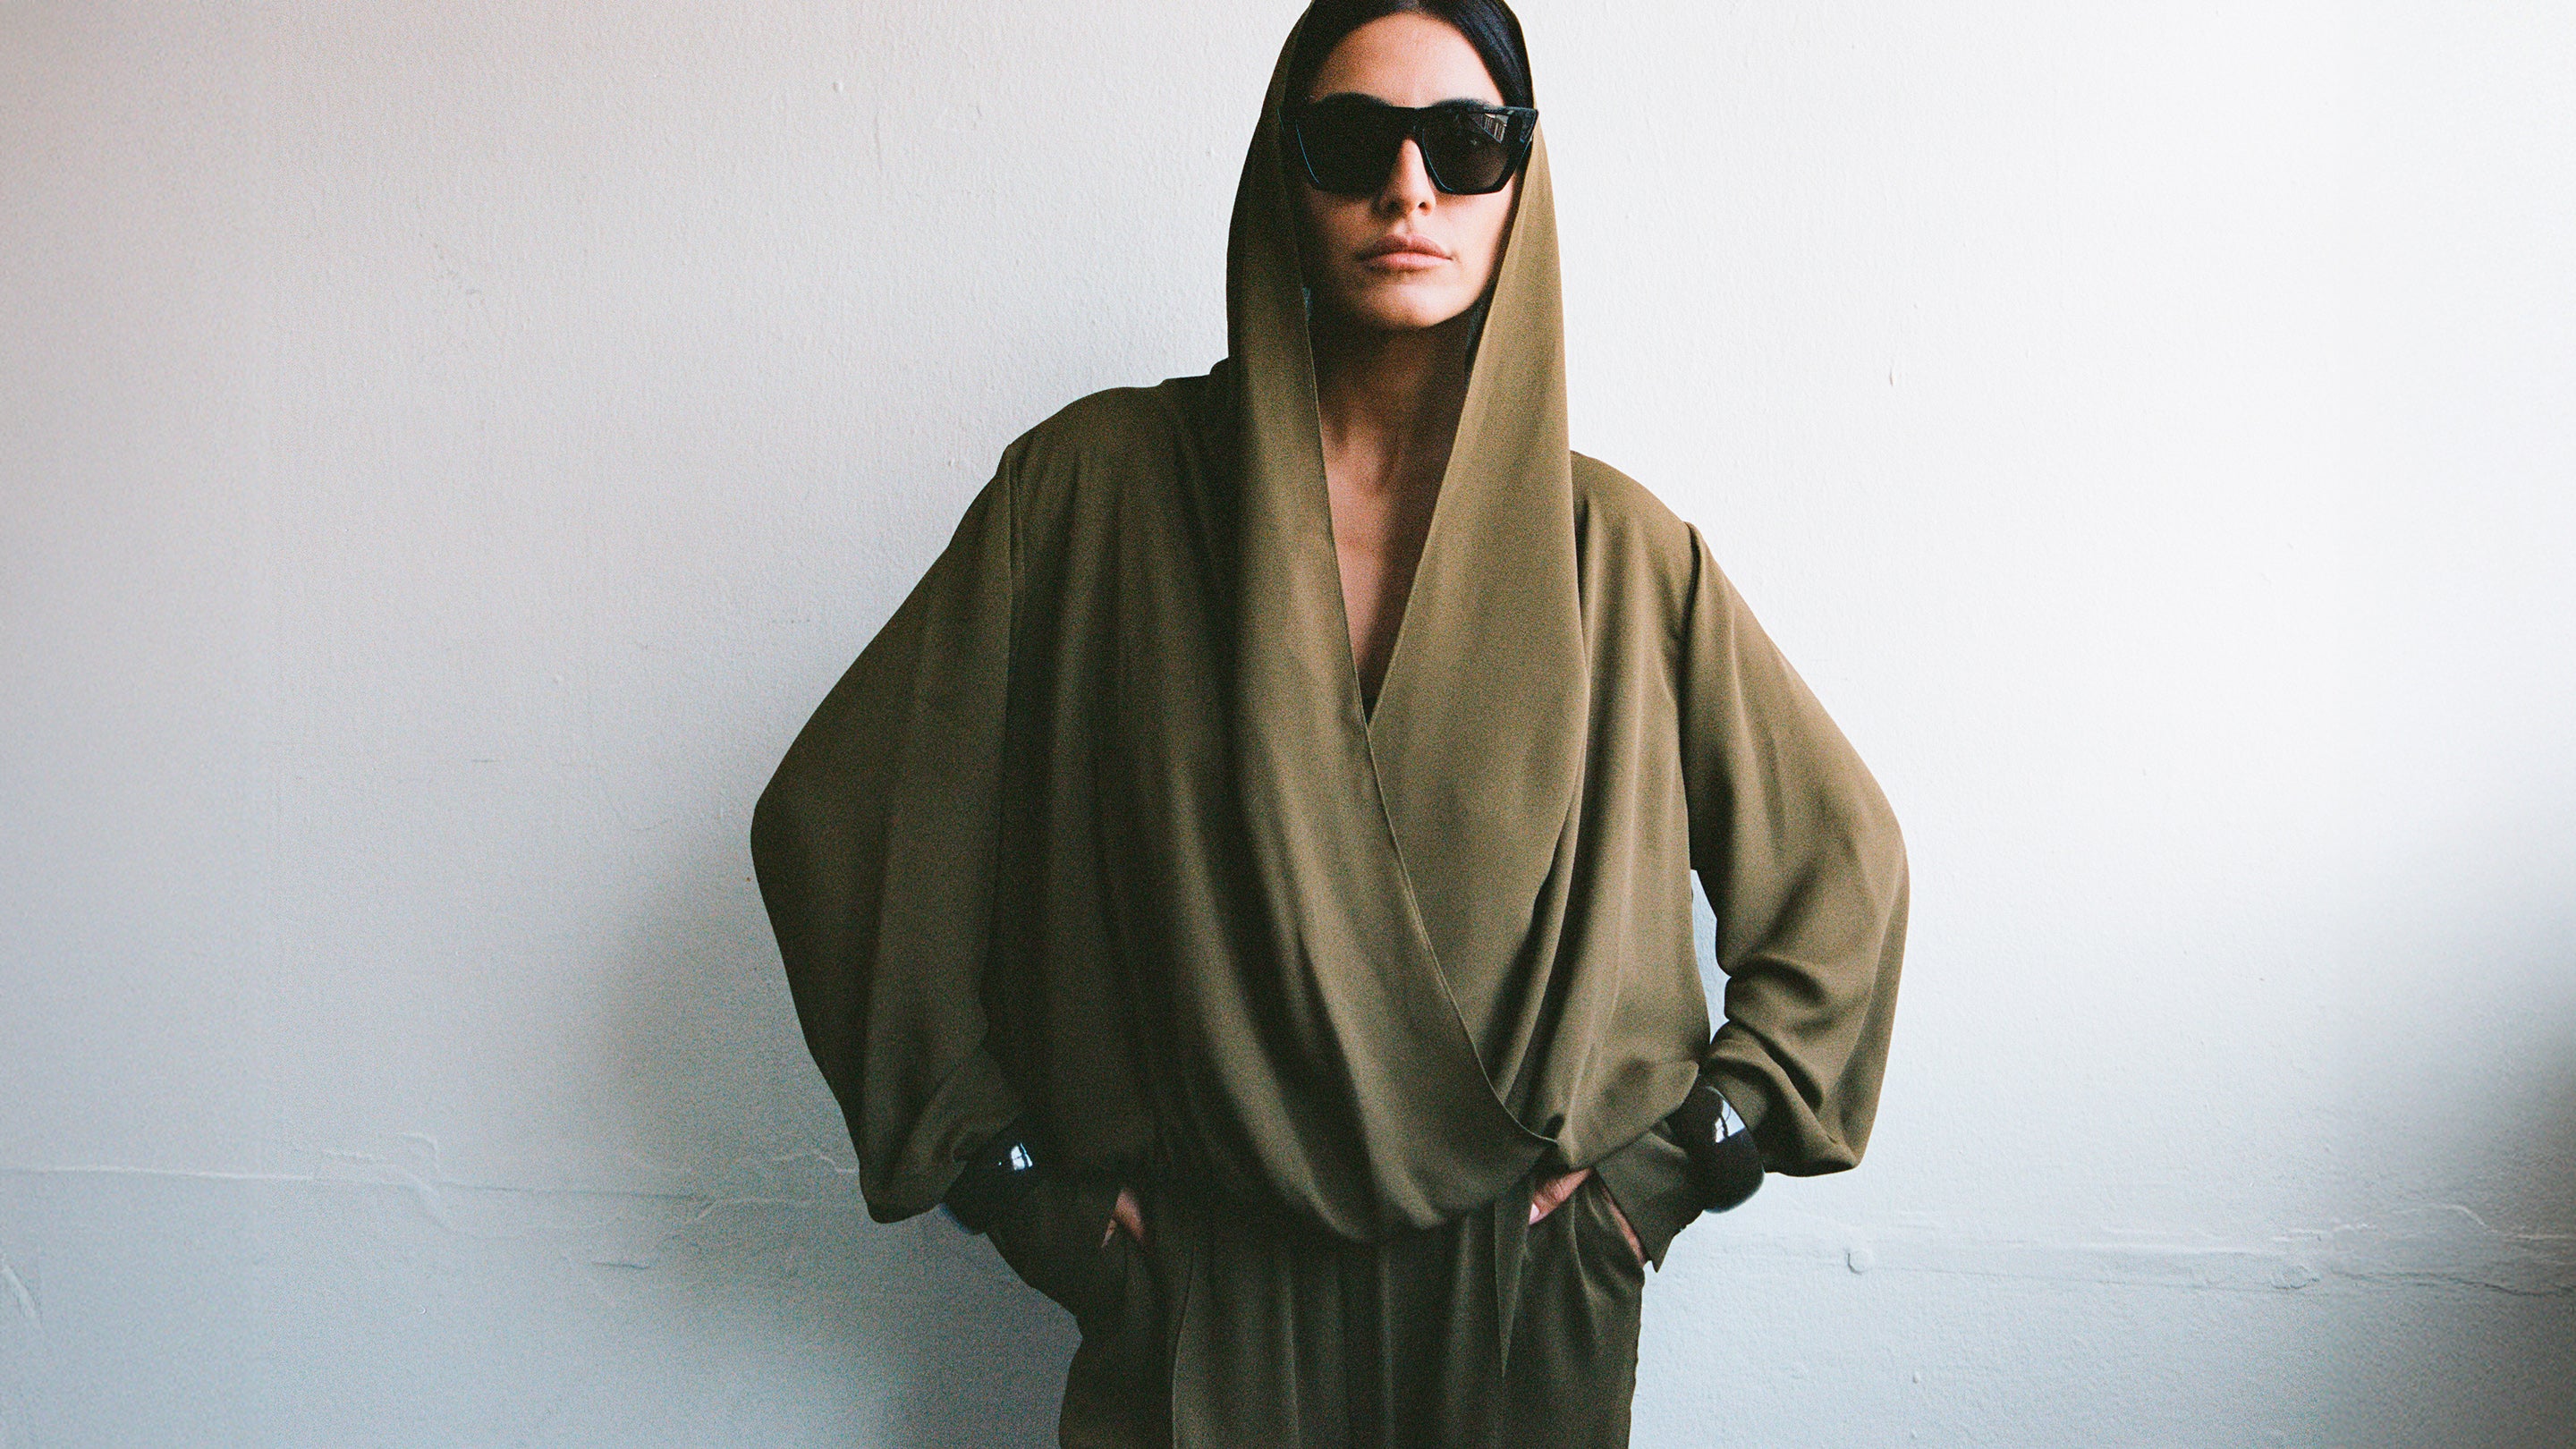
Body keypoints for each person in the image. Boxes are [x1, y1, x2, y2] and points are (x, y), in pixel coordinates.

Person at [749, 2, 1909, 1444]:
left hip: (1519, 1300)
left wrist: (1668, 1178)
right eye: (1351, 140)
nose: (1408, 189)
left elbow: (1843, 880)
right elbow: (841, 825)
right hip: (1194, 1290)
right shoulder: (1096, 498)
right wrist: (1008, 1178)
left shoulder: (1618, 556)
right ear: (1279, 171)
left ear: (1524, 178)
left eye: (1467, 143)